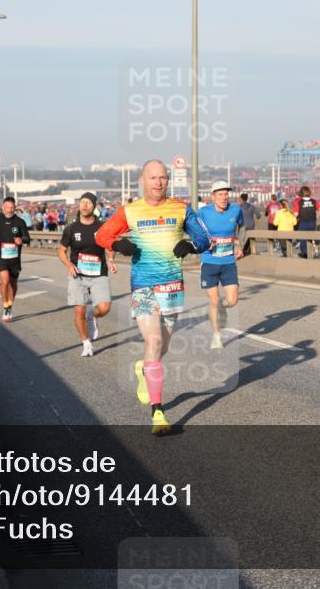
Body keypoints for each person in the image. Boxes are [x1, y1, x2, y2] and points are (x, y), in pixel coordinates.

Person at [95, 159, 210, 436]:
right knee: (154, 341)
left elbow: (205, 238)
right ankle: (158, 412)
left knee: (162, 347)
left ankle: (143, 368)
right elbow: (102, 235)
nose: (159, 182)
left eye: (163, 177)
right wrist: (118, 243)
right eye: (153, 177)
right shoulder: (130, 210)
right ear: (143, 181)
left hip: (172, 286)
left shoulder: (181, 209)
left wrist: (191, 245)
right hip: (143, 286)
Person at [57, 192, 115, 356]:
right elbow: (61, 250)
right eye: (82, 202)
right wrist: (69, 265)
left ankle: (93, 315)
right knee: (78, 311)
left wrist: (110, 259)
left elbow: (110, 246)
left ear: (94, 206)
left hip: (99, 273)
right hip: (78, 275)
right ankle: (86, 343)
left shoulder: (102, 227)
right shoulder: (71, 228)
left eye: (88, 203)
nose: (84, 205)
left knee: (104, 308)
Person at [197, 181, 247, 349]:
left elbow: (242, 227)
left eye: (226, 194)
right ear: (213, 196)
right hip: (209, 262)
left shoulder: (235, 210)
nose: (224, 197)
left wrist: (239, 244)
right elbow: (193, 229)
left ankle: (222, 308)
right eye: (220, 194)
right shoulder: (203, 212)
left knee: (232, 301)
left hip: (228, 262)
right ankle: (216, 336)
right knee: (214, 300)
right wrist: (203, 242)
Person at [0, 197, 31, 321]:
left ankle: (10, 305)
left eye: (12, 208)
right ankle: (5, 307)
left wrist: (21, 240)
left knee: (13, 283)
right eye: (7, 207)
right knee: (5, 280)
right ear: (3, 207)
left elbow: (27, 238)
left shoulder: (20, 222)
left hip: (14, 257)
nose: (9, 210)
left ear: (15, 208)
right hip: (0, 255)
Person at [292, 186, 319, 259]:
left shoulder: (298, 202)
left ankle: (305, 254)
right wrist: (317, 216)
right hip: (312, 222)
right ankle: (312, 250)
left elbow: (296, 214)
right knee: (310, 238)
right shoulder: (314, 201)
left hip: (303, 223)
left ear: (301, 193)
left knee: (303, 239)